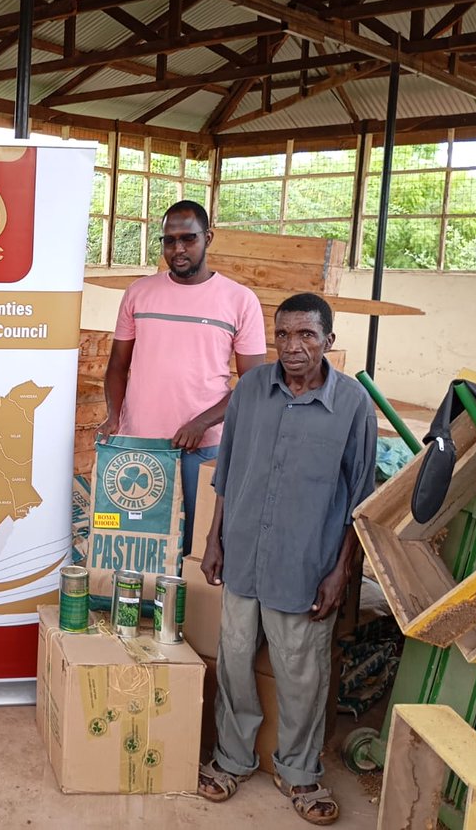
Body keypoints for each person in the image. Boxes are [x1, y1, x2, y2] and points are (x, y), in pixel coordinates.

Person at [197, 292, 377, 826]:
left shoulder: (351, 405)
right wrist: (214, 539)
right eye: (284, 335)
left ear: (328, 341)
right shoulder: (252, 388)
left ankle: (298, 772)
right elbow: (227, 472)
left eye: (307, 335)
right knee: (233, 661)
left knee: (301, 672)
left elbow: (359, 498)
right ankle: (232, 759)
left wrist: (341, 570)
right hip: (243, 555)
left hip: (304, 562)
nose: (294, 347)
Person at [99, 201, 266, 554]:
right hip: (140, 446)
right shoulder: (139, 293)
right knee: (137, 546)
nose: (177, 249)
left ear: (208, 238)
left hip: (203, 448)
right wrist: (113, 416)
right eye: (169, 240)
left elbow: (254, 384)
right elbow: (117, 365)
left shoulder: (240, 301)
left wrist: (201, 422)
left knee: (197, 548)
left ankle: (189, 611)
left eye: (188, 239)